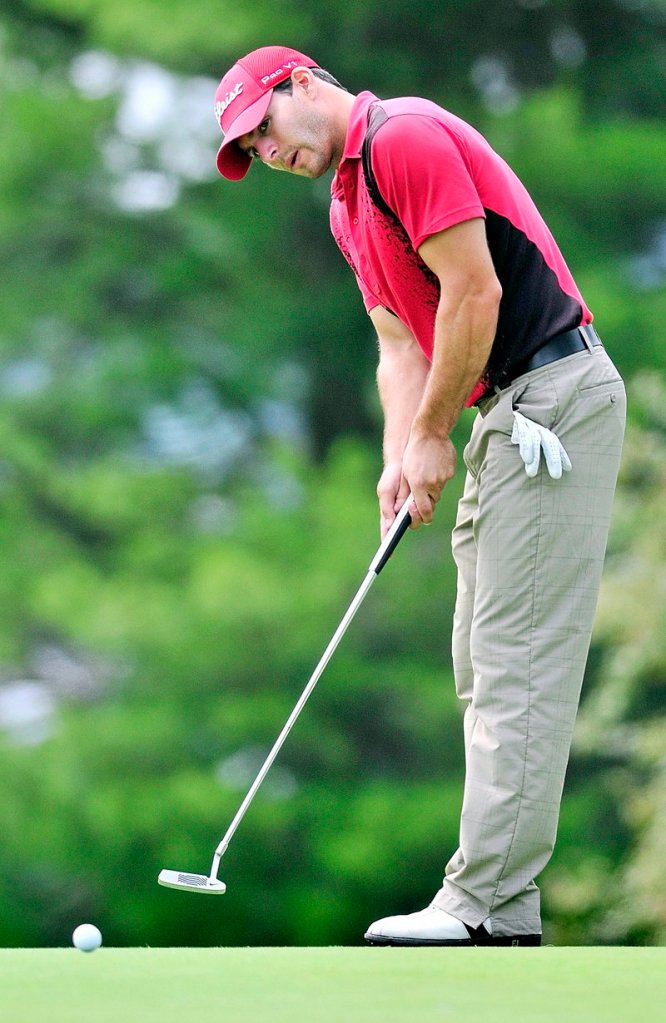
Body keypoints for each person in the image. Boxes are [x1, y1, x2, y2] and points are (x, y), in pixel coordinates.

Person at [212, 45, 626, 947]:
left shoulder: (402, 138)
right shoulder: (345, 206)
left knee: (517, 662)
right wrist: (404, 453)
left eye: (264, 128)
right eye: (251, 149)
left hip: (553, 399)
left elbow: (474, 293)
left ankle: (480, 904)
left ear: (300, 85)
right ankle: (502, 909)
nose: (268, 152)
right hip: (501, 409)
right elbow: (400, 343)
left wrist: (435, 432)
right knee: (481, 666)